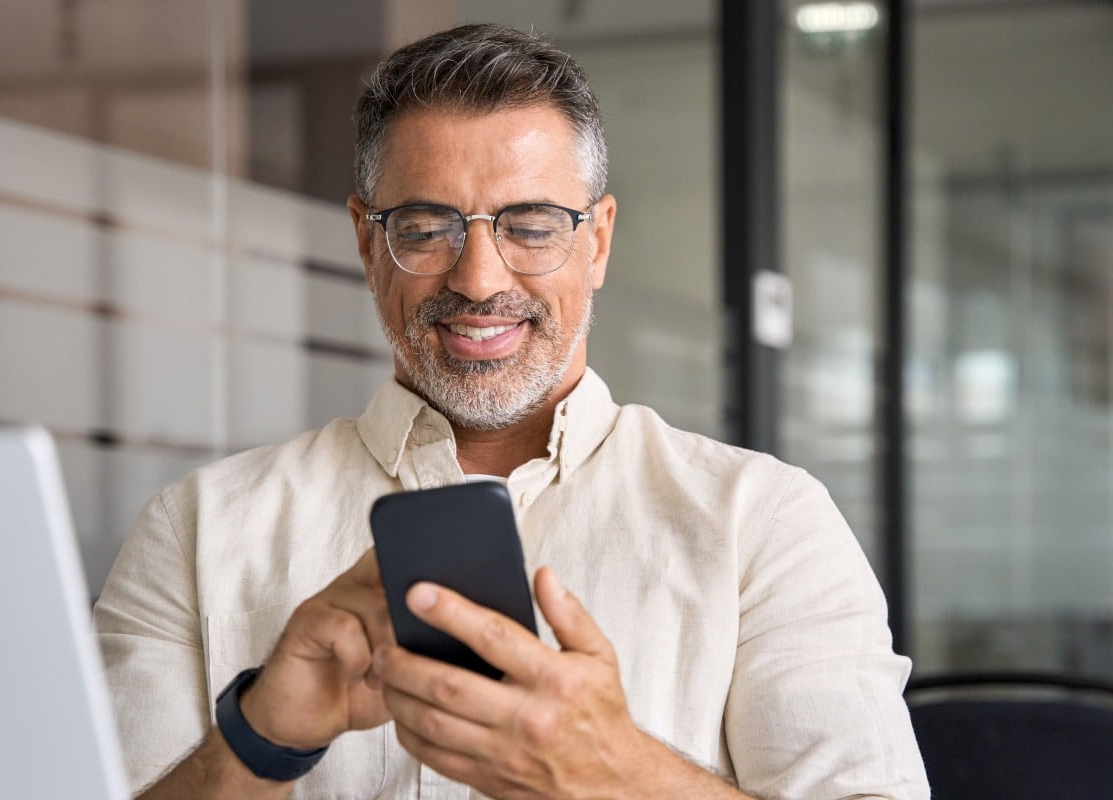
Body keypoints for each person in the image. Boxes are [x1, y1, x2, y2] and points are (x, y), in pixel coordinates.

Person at [94, 22, 929, 800]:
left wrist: (617, 773)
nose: (480, 279)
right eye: (426, 228)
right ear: (365, 242)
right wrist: (257, 738)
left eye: (530, 227)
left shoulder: (763, 521)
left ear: (597, 242)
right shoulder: (197, 528)